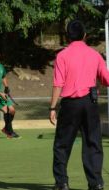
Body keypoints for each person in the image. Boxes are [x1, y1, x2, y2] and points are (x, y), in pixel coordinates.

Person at [49, 20, 107, 190]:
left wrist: (52, 107)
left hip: (70, 105)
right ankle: (95, 183)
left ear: (67, 37)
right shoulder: (94, 54)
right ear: (84, 36)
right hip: (90, 102)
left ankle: (62, 183)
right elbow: (106, 78)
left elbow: (58, 84)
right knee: (92, 142)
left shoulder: (62, 55)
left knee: (62, 144)